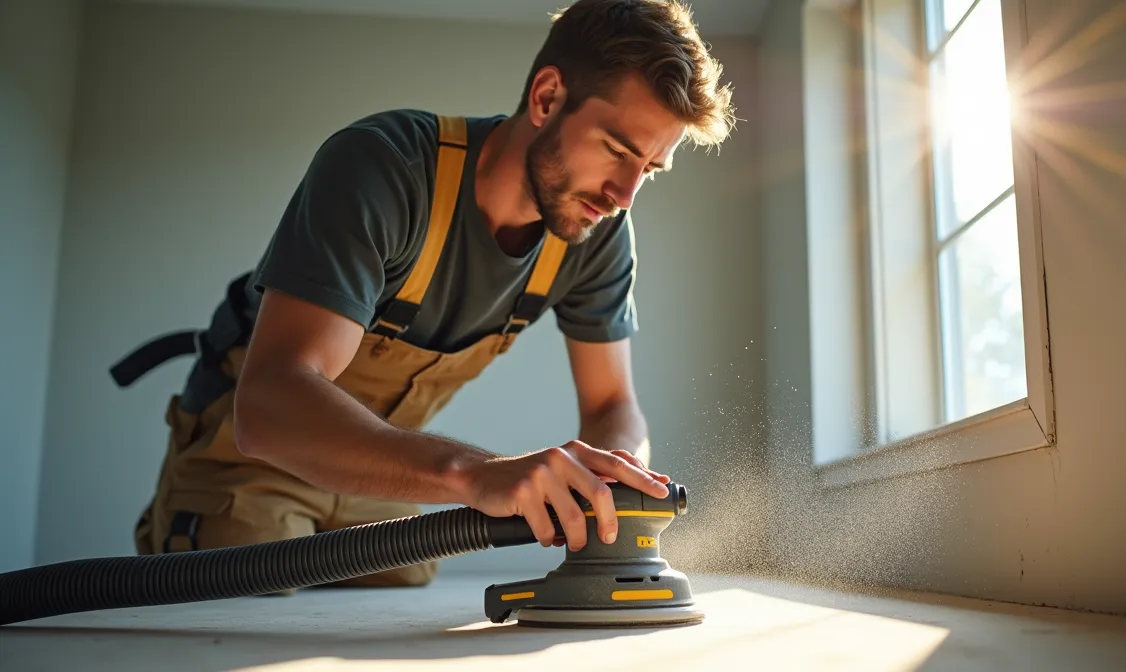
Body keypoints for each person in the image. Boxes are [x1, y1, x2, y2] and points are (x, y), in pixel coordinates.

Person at [114, 0, 734, 589]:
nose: (624, 195)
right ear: (547, 97)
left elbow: (613, 403)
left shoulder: (597, 234)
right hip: (247, 465)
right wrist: (476, 473)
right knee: (242, 577)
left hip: (371, 480)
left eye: (648, 169)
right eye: (617, 151)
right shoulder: (385, 169)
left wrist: (617, 487)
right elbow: (270, 407)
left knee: (406, 585)